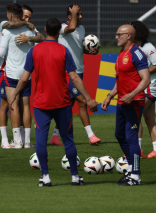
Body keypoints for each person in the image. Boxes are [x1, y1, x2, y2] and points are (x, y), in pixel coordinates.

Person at [8, 18, 98, 186]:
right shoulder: (64, 50)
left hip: (42, 104)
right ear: (59, 32)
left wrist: (14, 95)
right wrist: (88, 98)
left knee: (41, 142)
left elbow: (24, 77)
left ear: (45, 29)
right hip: (62, 102)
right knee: (68, 140)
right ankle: (75, 177)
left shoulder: (34, 51)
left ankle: (46, 177)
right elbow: (74, 77)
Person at [101, 24, 150, 186]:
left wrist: (132, 94)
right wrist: (109, 96)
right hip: (122, 101)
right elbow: (120, 80)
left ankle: (135, 175)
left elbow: (146, 79)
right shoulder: (122, 53)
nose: (116, 37)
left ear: (129, 36)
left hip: (134, 102)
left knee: (131, 137)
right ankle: (130, 168)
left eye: (119, 34)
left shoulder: (137, 53)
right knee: (119, 135)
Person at [50, 4, 102, 146]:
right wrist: (73, 12)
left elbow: (78, 48)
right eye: (77, 14)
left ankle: (54, 136)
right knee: (83, 102)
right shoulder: (63, 28)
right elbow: (71, 28)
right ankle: (91, 136)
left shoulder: (81, 28)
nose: (81, 16)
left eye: (80, 13)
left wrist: (90, 52)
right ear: (70, 16)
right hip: (67, 73)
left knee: (68, 106)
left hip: (79, 71)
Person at [0, 3, 36, 149]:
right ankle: (25, 141)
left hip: (9, 73)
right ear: (21, 15)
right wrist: (29, 27)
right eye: (25, 16)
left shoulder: (8, 30)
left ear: (9, 14)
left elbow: (1, 53)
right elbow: (39, 38)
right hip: (26, 73)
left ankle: (17, 141)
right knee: (25, 107)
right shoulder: (24, 29)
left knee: (12, 105)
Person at [131, 20, 156, 159]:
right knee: (149, 119)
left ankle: (137, 150)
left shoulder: (148, 47)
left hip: (150, 87)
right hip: (146, 87)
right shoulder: (136, 47)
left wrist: (142, 71)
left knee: (135, 116)